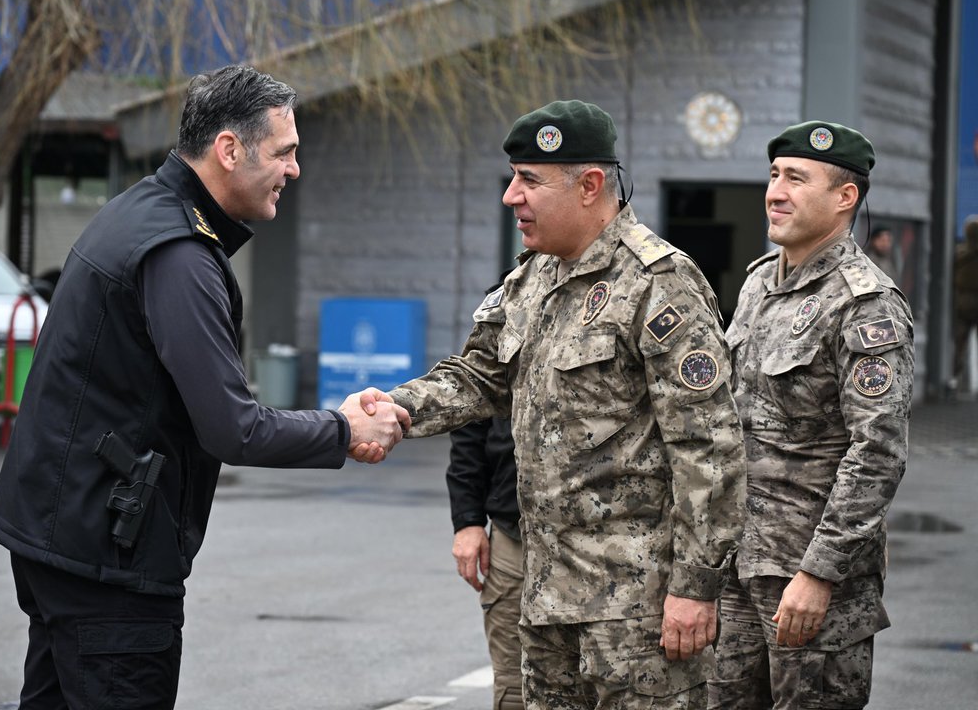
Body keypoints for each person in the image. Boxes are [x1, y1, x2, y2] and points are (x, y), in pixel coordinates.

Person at [0, 65, 407, 709]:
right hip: (108, 565)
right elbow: (231, 426)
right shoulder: (179, 252)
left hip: (65, 544)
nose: (294, 170)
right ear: (229, 150)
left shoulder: (139, 213)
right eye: (285, 152)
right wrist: (344, 429)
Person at [362, 100, 746, 709]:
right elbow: (478, 376)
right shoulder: (532, 277)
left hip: (637, 613)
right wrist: (394, 409)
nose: (510, 196)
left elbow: (710, 448)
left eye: (529, 181)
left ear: (590, 185)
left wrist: (696, 588)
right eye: (513, 177)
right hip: (547, 599)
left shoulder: (659, 283)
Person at [709, 121, 914, 709]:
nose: (776, 191)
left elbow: (877, 452)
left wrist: (820, 573)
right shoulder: (756, 285)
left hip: (808, 584)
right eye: (774, 175)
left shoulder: (865, 304)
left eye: (797, 178)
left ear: (844, 197)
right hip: (737, 569)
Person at [448, 416, 523, 710]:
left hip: (611, 546)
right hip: (513, 535)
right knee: (515, 691)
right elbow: (470, 423)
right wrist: (468, 520)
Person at [953, 215, 978, 393]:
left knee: (959, 345)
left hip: (962, 304)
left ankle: (954, 380)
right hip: (971, 303)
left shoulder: (959, 252)